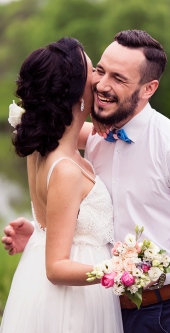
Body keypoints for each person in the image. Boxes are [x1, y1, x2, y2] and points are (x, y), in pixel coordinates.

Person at [2, 29, 170, 332]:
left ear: (148, 88)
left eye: (118, 78)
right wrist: (44, 234)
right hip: (101, 309)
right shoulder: (95, 136)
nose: (102, 85)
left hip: (164, 312)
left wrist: (157, 272)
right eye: (100, 71)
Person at [0, 37, 123, 333]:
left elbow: (103, 135)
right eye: (93, 71)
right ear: (76, 92)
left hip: (45, 287)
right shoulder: (66, 169)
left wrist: (37, 234)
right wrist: (120, 272)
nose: (98, 81)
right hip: (74, 299)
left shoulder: (41, 143)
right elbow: (56, 268)